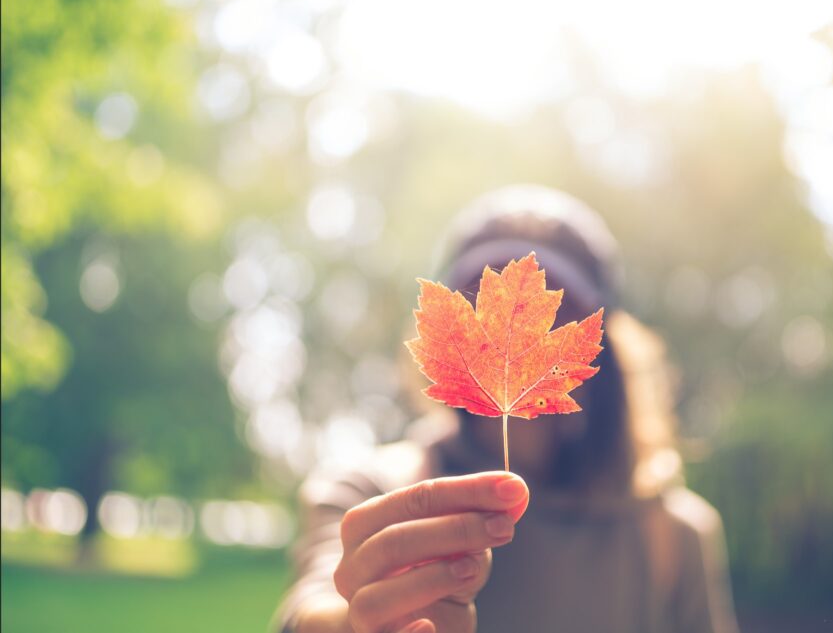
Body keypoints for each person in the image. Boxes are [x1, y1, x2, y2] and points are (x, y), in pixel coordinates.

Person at [275, 185, 739, 633]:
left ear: (606, 346)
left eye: (560, 307)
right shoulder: (371, 492)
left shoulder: (672, 535)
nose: (511, 339)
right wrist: (346, 624)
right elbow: (317, 601)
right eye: (477, 299)